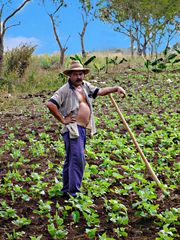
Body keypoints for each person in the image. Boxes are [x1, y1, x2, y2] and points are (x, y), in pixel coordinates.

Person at [47, 60, 126, 197]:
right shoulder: (64, 90)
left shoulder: (85, 86)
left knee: (71, 160)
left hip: (83, 128)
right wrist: (62, 119)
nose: (79, 77)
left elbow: (99, 91)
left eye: (81, 74)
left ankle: (66, 190)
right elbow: (50, 104)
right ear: (70, 76)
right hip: (73, 129)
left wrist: (115, 88)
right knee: (77, 159)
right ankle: (74, 193)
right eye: (76, 74)